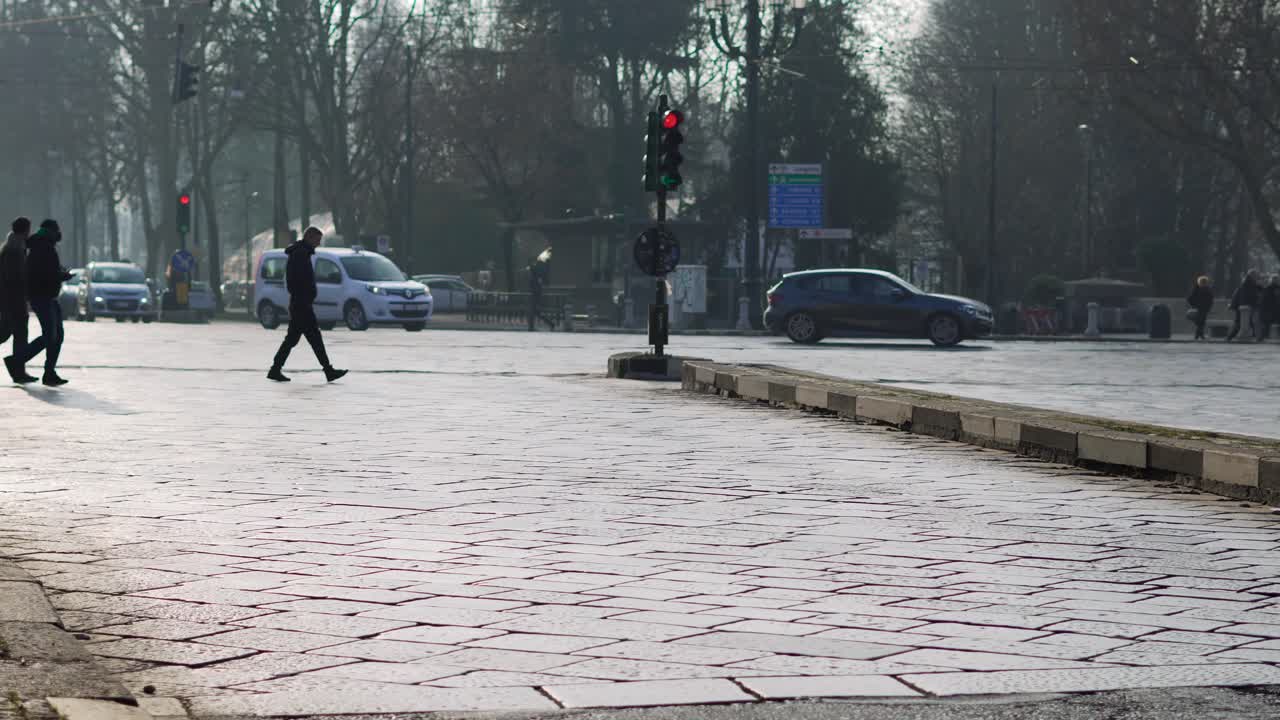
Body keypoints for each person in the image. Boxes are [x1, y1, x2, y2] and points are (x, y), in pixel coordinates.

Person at [268, 226, 346, 383]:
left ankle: (275, 369)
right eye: (317, 240)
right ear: (309, 238)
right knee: (313, 337)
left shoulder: (301, 253)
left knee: (293, 339)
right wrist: (305, 296)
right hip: (301, 304)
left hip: (300, 303)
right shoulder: (300, 254)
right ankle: (328, 370)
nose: (318, 244)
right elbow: (298, 280)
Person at [11, 219, 71, 386]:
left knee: (57, 335)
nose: (59, 233)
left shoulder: (45, 245)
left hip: (49, 296)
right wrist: (61, 276)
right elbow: (42, 273)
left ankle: (49, 372)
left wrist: (58, 273)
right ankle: (17, 360)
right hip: (41, 296)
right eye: (57, 230)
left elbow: (47, 270)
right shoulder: (42, 246)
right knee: (50, 335)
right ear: (51, 231)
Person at [0, 217, 37, 383]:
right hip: (13, 300)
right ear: (25, 230)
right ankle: (18, 369)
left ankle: (18, 369)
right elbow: (14, 278)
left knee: (14, 333)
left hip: (11, 299)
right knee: (16, 334)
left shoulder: (11, 246)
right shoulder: (14, 250)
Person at [1227, 269, 1262, 342]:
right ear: (1252, 275)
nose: (1256, 276)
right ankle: (1230, 337)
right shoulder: (1248, 283)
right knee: (1240, 323)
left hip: (1243, 306)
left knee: (1245, 322)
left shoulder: (1249, 282)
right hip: (1244, 307)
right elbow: (1249, 295)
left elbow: (1256, 292)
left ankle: (1231, 337)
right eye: (1255, 275)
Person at [1187, 275, 1214, 341]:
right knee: (1201, 322)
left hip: (1203, 308)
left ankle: (1199, 336)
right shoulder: (1202, 289)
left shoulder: (1199, 289)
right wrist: (1195, 305)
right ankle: (1199, 335)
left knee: (1201, 322)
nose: (1204, 283)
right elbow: (1190, 299)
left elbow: (1210, 299)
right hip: (1201, 308)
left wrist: (1194, 305)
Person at [1261, 275, 1280, 341]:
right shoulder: (1268, 288)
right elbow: (1265, 299)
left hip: (1276, 309)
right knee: (1267, 324)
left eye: (1277, 279)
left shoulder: (1277, 288)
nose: (1277, 281)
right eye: (1275, 279)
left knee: (1269, 323)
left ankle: (1264, 337)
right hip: (1270, 309)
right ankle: (1264, 337)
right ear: (1272, 280)